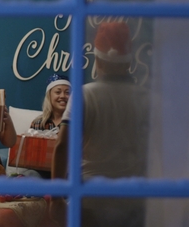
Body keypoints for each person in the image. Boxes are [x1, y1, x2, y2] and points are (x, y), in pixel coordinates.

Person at [50, 22, 149, 227]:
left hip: (90, 197)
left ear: (97, 61)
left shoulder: (85, 94)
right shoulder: (147, 98)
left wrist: (56, 198)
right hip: (133, 199)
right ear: (129, 63)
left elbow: (62, 146)